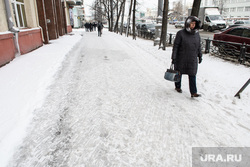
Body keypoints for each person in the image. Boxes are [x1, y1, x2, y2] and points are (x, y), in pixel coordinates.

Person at [171, 16, 202, 98]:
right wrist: (174, 57)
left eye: (194, 24)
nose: (193, 25)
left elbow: (199, 46)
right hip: (181, 57)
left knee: (192, 75)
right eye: (192, 23)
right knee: (179, 73)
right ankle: (178, 86)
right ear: (188, 24)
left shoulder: (196, 34)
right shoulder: (180, 33)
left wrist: (200, 55)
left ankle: (193, 92)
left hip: (192, 58)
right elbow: (176, 46)